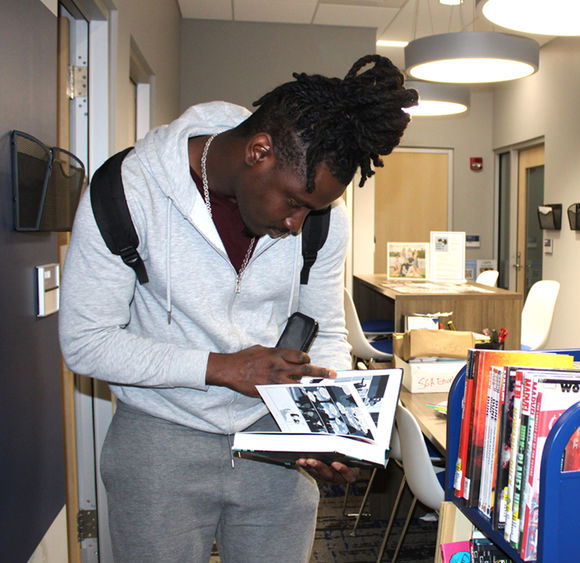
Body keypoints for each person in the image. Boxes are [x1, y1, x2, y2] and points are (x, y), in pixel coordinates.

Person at [58, 55, 417, 562]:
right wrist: (222, 368)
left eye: (310, 209)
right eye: (293, 203)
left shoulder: (319, 217)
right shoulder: (125, 192)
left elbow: (327, 327)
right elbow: (85, 341)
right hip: (160, 440)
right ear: (259, 151)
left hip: (273, 442)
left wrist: (325, 425)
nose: (297, 224)